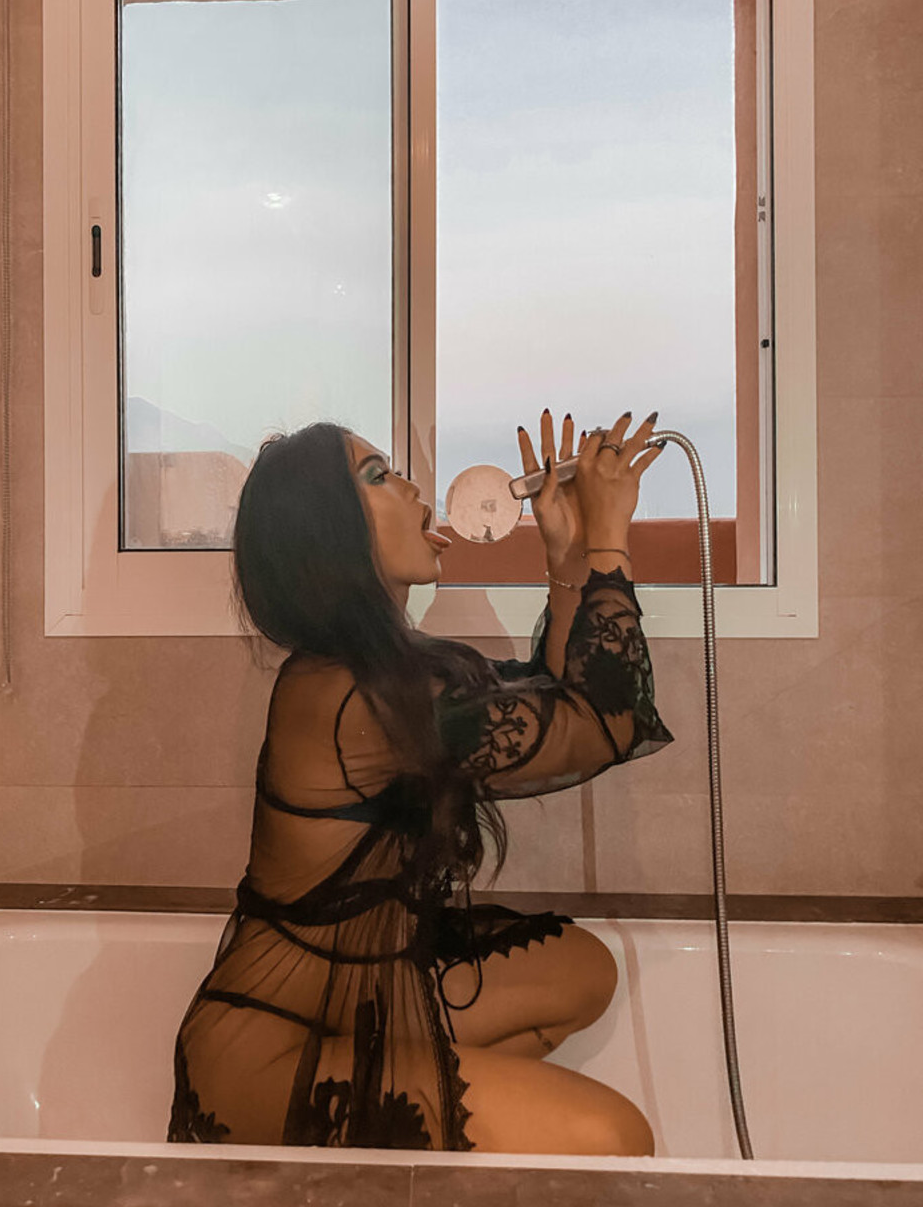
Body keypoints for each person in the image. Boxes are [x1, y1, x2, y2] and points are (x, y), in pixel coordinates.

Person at [167, 408, 674, 1154]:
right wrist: (607, 539)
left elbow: (552, 699)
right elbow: (605, 718)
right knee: (615, 1137)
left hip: (350, 997)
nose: (411, 488)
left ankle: (403, 1124)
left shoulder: (383, 673)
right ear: (332, 535)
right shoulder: (348, 696)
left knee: (583, 972)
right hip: (268, 1053)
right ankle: (385, 1138)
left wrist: (566, 555)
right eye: (378, 476)